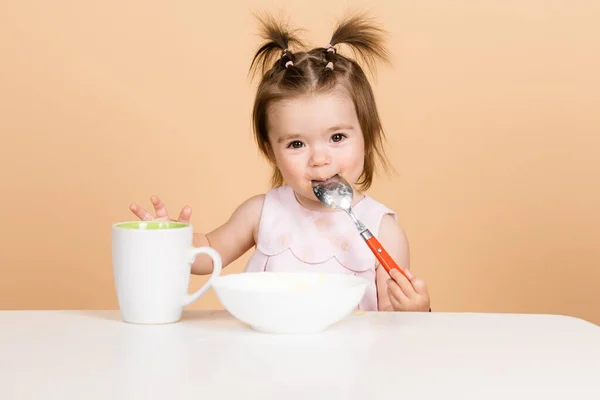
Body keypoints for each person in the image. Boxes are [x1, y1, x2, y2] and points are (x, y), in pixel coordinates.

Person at [129, 12, 430, 312]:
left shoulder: (383, 230)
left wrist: (414, 310)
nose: (320, 159)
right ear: (270, 151)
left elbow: (392, 324)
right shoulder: (262, 212)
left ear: (368, 136)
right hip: (262, 354)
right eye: (297, 144)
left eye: (337, 138)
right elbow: (208, 254)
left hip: (348, 358)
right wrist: (172, 241)